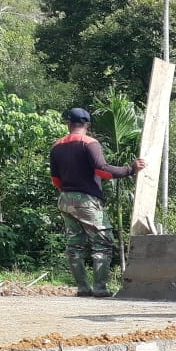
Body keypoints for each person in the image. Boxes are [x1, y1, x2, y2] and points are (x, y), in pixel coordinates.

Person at [49, 107, 145, 298]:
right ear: (87, 125)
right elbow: (102, 170)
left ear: (68, 124)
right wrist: (130, 169)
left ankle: (83, 288)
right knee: (102, 242)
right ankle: (100, 288)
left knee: (74, 245)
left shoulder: (56, 146)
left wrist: (70, 195)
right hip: (87, 200)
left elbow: (55, 179)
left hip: (65, 199)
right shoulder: (89, 143)